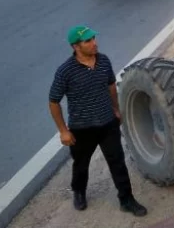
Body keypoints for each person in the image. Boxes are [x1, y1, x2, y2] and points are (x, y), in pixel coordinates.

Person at [48, 25, 147, 216]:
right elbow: (53, 101)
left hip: (108, 124)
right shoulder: (65, 71)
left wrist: (116, 109)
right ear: (76, 46)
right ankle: (79, 192)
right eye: (88, 41)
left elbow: (110, 85)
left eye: (94, 38)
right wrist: (63, 131)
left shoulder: (103, 61)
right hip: (82, 129)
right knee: (81, 164)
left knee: (118, 162)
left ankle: (127, 200)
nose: (94, 43)